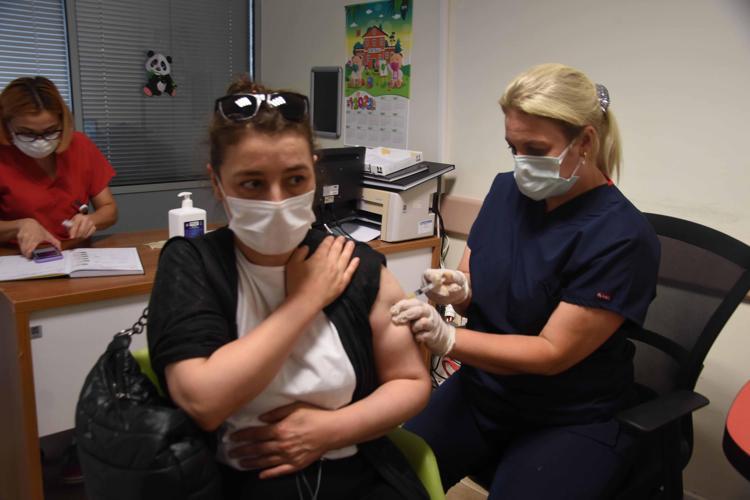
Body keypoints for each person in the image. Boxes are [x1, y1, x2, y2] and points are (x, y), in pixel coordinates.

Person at [147, 77, 432, 499]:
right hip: (239, 483)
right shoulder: (193, 265)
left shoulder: (355, 264)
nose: (277, 200)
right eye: (252, 183)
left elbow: (410, 381)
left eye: (295, 179)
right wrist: (305, 300)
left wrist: (329, 431)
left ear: (314, 172)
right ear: (217, 182)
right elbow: (204, 403)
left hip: (356, 472)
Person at [391, 63, 661, 499]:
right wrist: (460, 290)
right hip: (484, 391)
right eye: (513, 147)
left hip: (566, 413)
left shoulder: (621, 236)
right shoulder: (505, 192)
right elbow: (473, 279)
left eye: (535, 148)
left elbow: (551, 353)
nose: (521, 163)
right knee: (389, 481)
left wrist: (447, 339)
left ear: (585, 141)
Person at [0, 76, 117, 258]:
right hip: (17, 257)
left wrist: (91, 220)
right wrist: (19, 226)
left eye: (50, 131)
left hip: (75, 253)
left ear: (62, 122)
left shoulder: (80, 146)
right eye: (27, 133)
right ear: (7, 126)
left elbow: (109, 209)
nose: (40, 141)